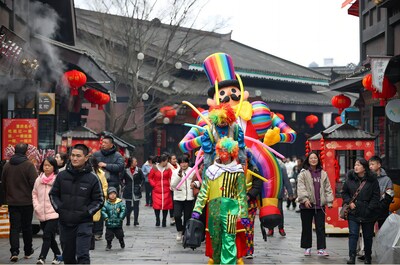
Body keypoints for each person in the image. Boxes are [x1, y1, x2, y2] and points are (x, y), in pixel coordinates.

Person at [192, 137, 248, 264]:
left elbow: (241, 195)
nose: (223, 153)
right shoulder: (211, 171)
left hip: (230, 210)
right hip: (214, 209)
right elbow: (204, 192)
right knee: (215, 239)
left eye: (226, 150)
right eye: (221, 150)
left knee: (229, 238)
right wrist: (197, 209)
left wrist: (244, 214)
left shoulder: (238, 172)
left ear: (231, 152)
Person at [49, 144, 104, 264]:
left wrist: (86, 212)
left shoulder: (92, 178)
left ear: (86, 157)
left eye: (78, 156)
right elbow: (53, 194)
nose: (74, 158)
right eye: (73, 155)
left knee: (82, 255)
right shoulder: (62, 176)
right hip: (65, 222)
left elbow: (99, 200)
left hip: (84, 222)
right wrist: (60, 209)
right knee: (68, 257)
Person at [1, 143, 38, 262]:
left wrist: (8, 197)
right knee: (27, 227)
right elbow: (34, 184)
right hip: (26, 202)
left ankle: (14, 252)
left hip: (12, 202)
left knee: (14, 228)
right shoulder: (28, 165)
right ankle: (28, 251)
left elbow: (3, 183)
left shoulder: (7, 165)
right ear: (26, 152)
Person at [342, 158, 380, 264]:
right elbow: (344, 193)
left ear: (364, 167)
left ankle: (368, 257)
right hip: (353, 212)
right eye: (355, 165)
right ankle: (352, 257)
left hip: (368, 212)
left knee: (367, 236)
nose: (355, 167)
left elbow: (376, 196)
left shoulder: (372, 180)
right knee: (353, 234)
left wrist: (369, 208)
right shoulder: (350, 179)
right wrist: (350, 202)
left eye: (358, 165)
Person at [297, 151, 334, 257]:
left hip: (319, 205)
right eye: (311, 158)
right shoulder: (303, 173)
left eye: (315, 158)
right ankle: (307, 248)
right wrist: (305, 199)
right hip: (306, 206)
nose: (313, 160)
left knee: (321, 227)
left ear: (318, 160)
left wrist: (329, 201)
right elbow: (301, 187)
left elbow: (328, 188)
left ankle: (321, 248)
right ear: (308, 160)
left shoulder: (323, 173)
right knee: (306, 227)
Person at [92, 135, 124, 240]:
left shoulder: (117, 155)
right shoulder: (96, 155)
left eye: (105, 142)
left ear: (111, 144)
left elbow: (120, 167)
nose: (103, 144)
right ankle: (98, 232)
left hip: (112, 185)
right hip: (98, 185)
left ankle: (114, 230)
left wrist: (106, 165)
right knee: (99, 208)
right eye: (102, 142)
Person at [32, 157, 62, 265]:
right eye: (45, 165)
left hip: (54, 213)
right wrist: (37, 206)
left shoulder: (58, 180)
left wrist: (57, 207)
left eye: (49, 165)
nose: (47, 167)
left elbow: (61, 195)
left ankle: (42, 258)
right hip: (41, 213)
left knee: (46, 236)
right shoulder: (38, 179)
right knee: (50, 237)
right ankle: (58, 256)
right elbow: (34, 194)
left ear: (54, 167)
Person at [170, 154, 195, 243]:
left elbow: (198, 181)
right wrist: (179, 176)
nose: (184, 164)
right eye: (182, 163)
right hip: (178, 197)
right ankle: (179, 230)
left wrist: (195, 184)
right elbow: (172, 185)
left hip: (189, 198)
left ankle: (185, 233)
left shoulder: (192, 171)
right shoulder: (175, 172)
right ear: (179, 164)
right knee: (177, 215)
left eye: (185, 162)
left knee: (187, 217)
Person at [268, 159, 293, 237]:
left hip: (278, 192)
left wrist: (290, 192)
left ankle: (281, 228)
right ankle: (270, 228)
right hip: (269, 193)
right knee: (269, 212)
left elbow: (286, 180)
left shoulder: (281, 165)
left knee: (279, 211)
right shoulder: (267, 165)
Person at [244, 155, 263, 259]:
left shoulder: (254, 168)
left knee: (249, 228)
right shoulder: (231, 168)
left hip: (249, 204)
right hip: (233, 204)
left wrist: (249, 195)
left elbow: (258, 184)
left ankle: (248, 250)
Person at [148, 154, 173, 227]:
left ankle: (164, 220)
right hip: (157, 190)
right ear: (163, 161)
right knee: (157, 206)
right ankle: (157, 219)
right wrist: (154, 184)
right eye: (166, 161)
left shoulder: (168, 168)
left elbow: (172, 177)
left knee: (166, 206)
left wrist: (171, 185)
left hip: (166, 189)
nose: (167, 162)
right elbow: (150, 178)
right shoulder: (155, 168)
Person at [368, 156, 394, 228]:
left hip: (382, 211)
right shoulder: (367, 179)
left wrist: (380, 207)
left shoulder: (387, 180)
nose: (370, 167)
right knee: (368, 235)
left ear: (379, 165)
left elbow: (389, 196)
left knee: (383, 234)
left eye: (372, 164)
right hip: (369, 210)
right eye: (369, 165)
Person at [90, 156, 108, 250]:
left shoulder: (101, 173)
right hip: (88, 198)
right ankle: (91, 234)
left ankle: (98, 232)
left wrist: (103, 194)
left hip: (98, 197)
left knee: (99, 216)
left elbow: (105, 185)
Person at [121, 157, 144, 226]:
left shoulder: (139, 170)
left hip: (136, 190)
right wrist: (123, 186)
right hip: (128, 190)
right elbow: (121, 179)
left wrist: (140, 186)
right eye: (135, 162)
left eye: (136, 162)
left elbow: (142, 179)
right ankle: (128, 221)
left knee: (136, 206)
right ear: (131, 163)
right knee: (128, 207)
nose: (136, 163)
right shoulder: (125, 171)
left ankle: (136, 221)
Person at [167, 154, 180, 226]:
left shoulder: (179, 166)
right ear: (169, 160)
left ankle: (176, 216)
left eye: (175, 159)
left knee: (176, 203)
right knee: (171, 203)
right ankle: (172, 217)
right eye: (173, 159)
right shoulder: (168, 167)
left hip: (178, 187)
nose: (175, 160)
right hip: (171, 187)